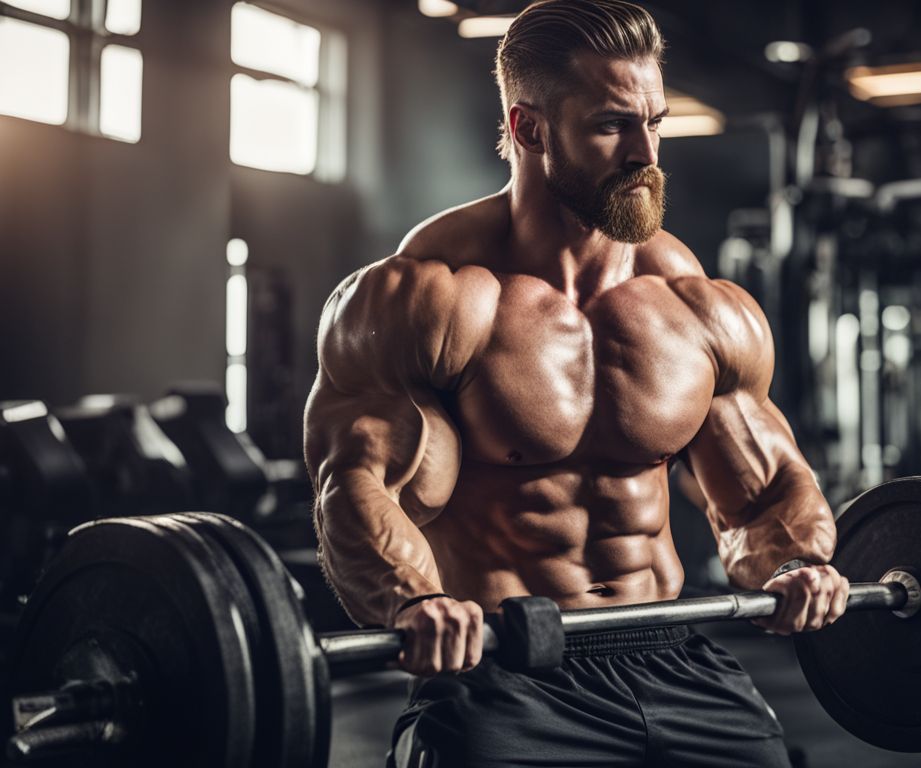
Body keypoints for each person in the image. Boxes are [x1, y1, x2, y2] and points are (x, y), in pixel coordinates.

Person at [302, 2, 848, 765]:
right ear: (529, 130)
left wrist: (795, 564)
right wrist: (414, 601)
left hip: (670, 653)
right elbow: (356, 481)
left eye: (654, 122)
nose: (645, 151)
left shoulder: (696, 306)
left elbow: (761, 496)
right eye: (612, 125)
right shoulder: (433, 299)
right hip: (503, 669)